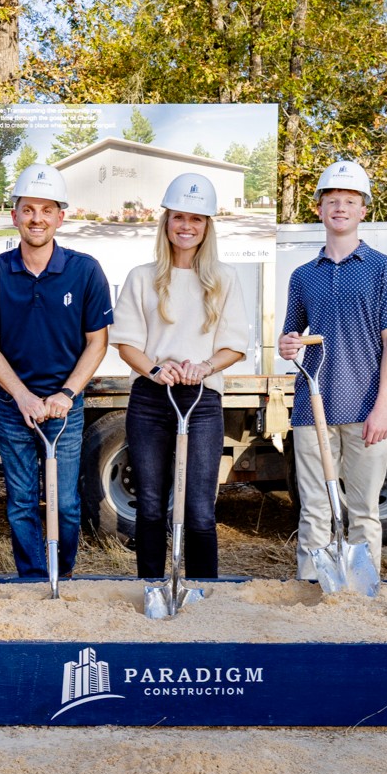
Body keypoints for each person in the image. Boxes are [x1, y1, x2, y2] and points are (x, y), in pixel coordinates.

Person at [0, 163, 112, 579]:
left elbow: (97, 342)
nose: (37, 218)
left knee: (65, 504)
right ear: (14, 215)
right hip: (13, 405)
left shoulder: (84, 270)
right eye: (28, 209)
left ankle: (61, 575)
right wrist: (22, 396)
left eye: (46, 210)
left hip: (64, 406)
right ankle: (32, 579)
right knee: (22, 501)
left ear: (60, 217)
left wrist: (65, 394)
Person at [111, 173, 248, 579]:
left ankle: (203, 590)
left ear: (207, 226)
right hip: (151, 399)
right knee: (151, 503)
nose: (187, 226)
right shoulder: (141, 277)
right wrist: (155, 369)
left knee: (200, 507)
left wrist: (205, 367)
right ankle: (153, 586)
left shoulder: (224, 278)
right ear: (167, 221)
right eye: (179, 217)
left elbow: (234, 345)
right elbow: (126, 344)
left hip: (202, 399)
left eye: (197, 219)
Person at [277, 160, 387, 579]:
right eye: (332, 200)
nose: (340, 207)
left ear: (363, 210)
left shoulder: (382, 268)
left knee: (364, 510)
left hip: (366, 409)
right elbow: (290, 337)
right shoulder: (303, 276)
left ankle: (362, 593)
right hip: (312, 408)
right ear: (319, 209)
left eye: (350, 201)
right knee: (314, 508)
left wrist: (382, 408)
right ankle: (311, 587)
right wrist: (287, 344)